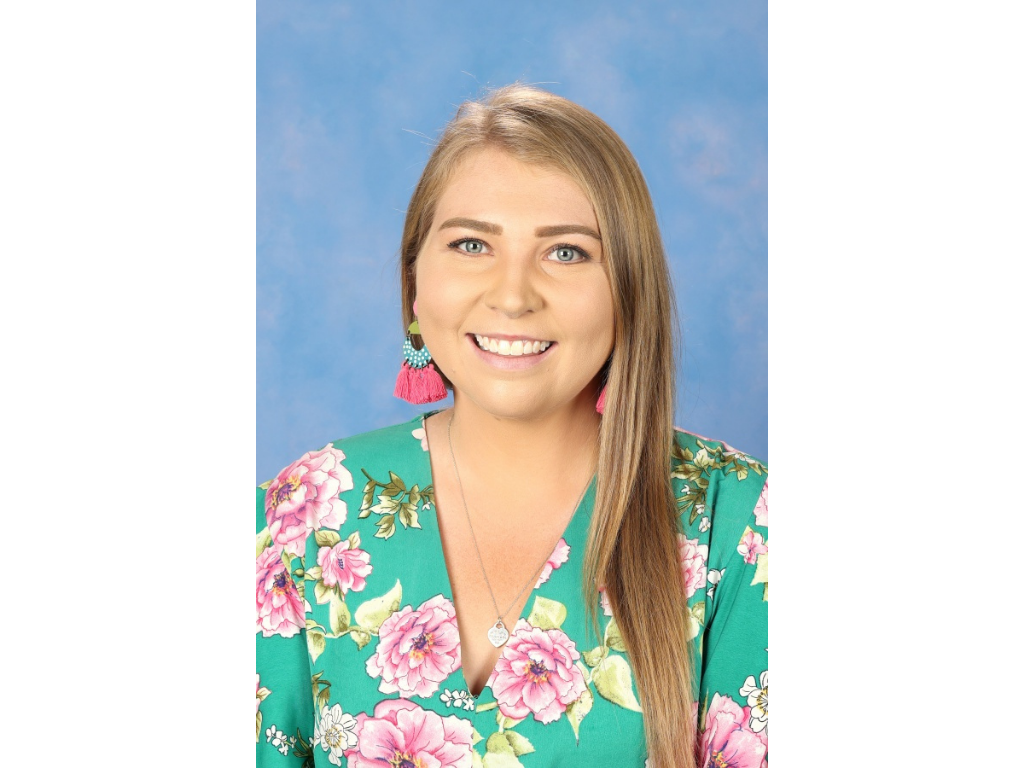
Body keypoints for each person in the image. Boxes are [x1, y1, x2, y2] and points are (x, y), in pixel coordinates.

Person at [256, 84, 768, 768]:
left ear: (629, 292)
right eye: (471, 244)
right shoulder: (305, 514)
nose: (512, 295)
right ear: (415, 283)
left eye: (566, 252)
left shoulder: (737, 525)